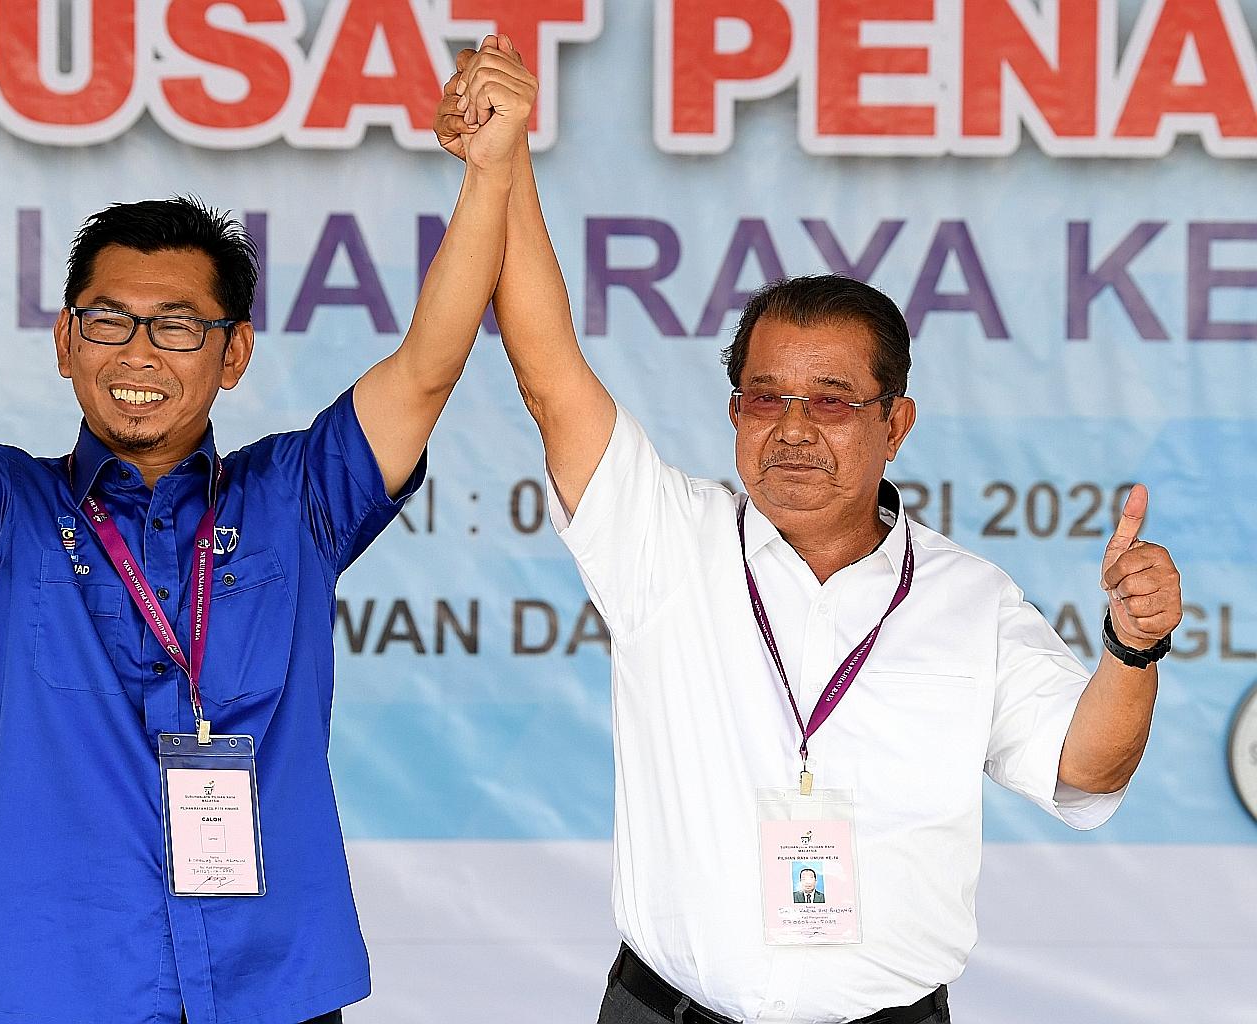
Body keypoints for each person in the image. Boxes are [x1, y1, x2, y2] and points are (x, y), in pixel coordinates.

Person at [0, 42, 534, 1024]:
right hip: (59, 987)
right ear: (65, 341)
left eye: (177, 326)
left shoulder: (296, 496)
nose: (138, 354)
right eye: (108, 322)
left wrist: (490, 170)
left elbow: (427, 369)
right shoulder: (9, 512)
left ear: (233, 353)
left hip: (272, 982)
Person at [435, 41, 1182, 1024]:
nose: (792, 428)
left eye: (831, 401)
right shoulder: (667, 540)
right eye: (766, 397)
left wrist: (1133, 647)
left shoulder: (970, 599)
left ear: (895, 425)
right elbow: (548, 369)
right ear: (734, 411)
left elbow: (1086, 767)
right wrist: (506, 161)